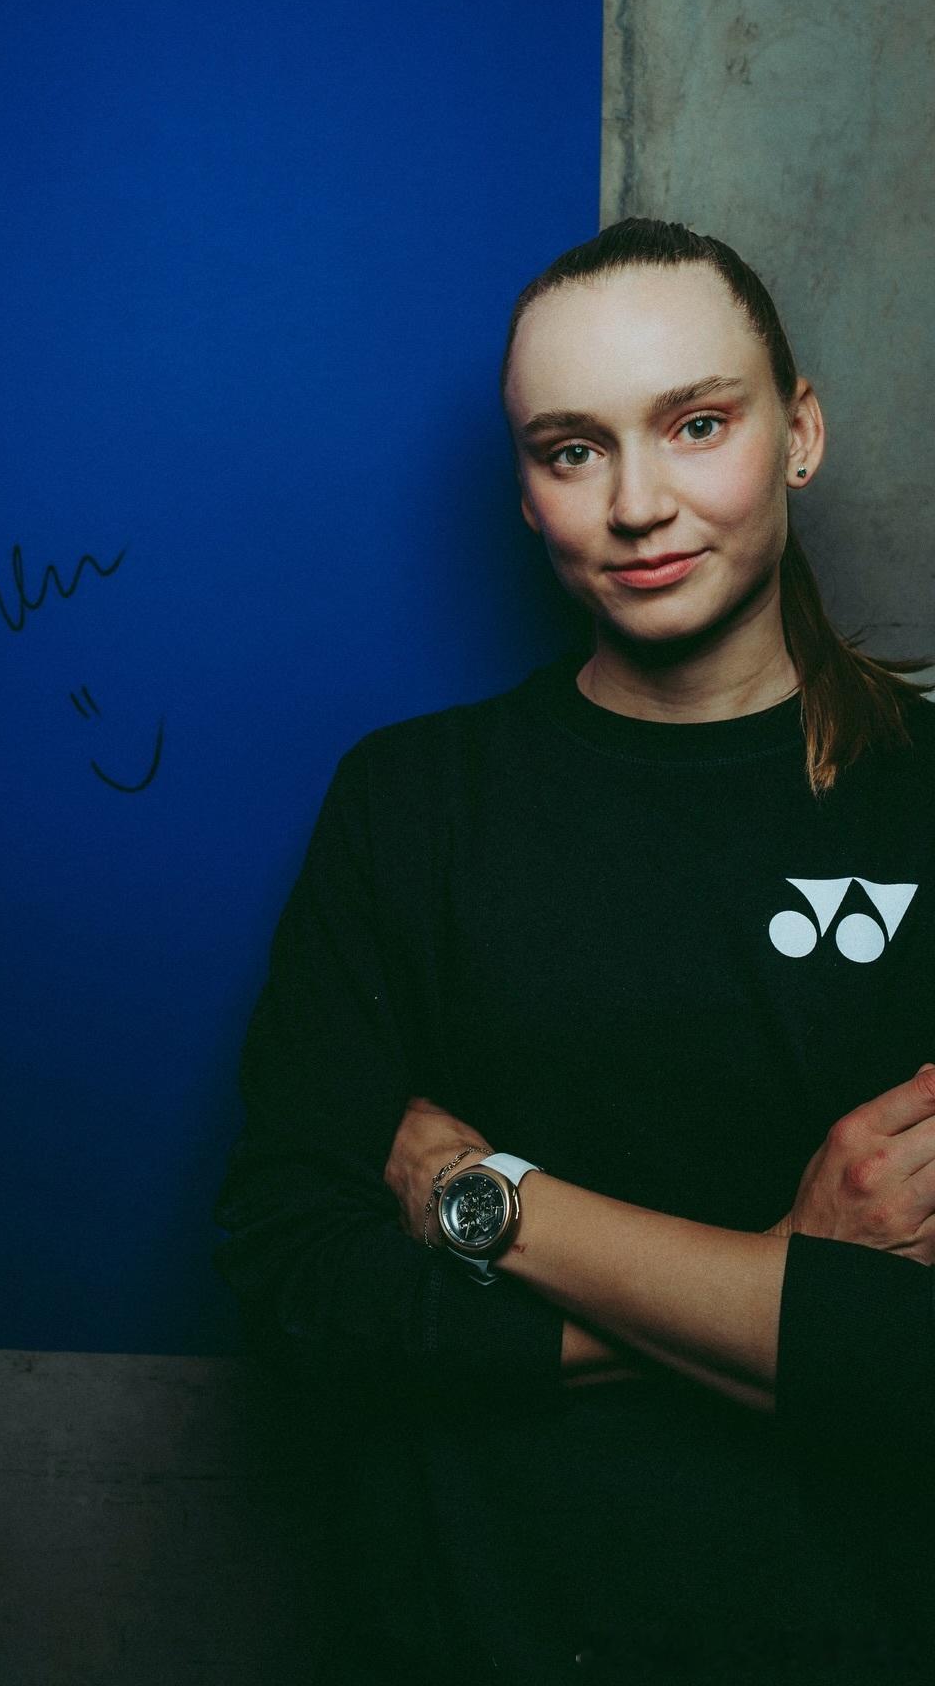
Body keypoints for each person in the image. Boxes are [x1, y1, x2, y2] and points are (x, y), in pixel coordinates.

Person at [212, 217, 935, 1685]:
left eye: (698, 424)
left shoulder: (919, 796)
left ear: (799, 434)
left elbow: (914, 1366)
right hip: (468, 1637)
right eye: (573, 450)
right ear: (528, 490)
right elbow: (293, 1280)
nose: (639, 504)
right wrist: (786, 1286)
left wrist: (488, 1204)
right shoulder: (411, 805)